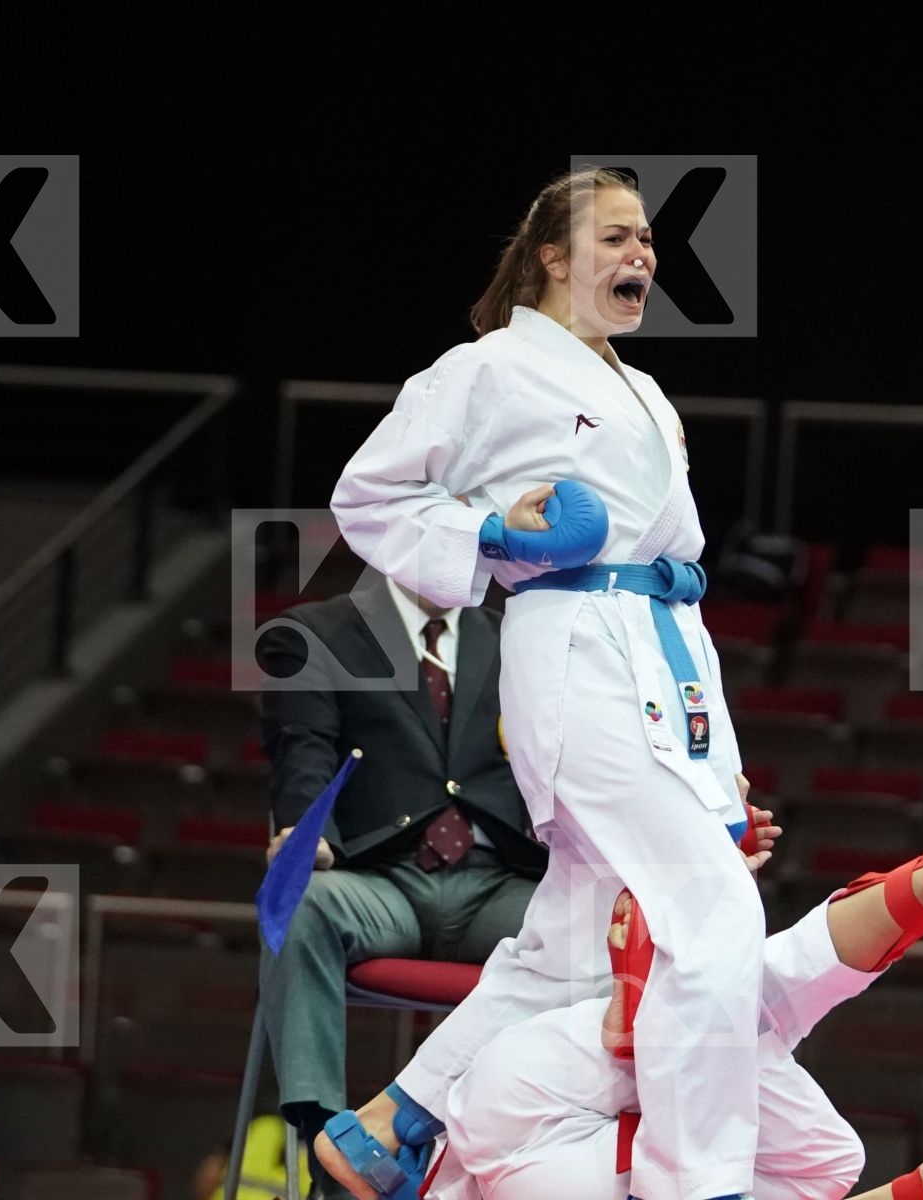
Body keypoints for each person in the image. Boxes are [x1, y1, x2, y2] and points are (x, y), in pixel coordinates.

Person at [320, 166, 768, 1200]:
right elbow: (367, 495)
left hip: (668, 645)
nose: (642, 256)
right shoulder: (490, 369)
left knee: (570, 942)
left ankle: (393, 1121)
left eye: (649, 240)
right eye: (615, 238)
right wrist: (483, 530)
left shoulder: (644, 393)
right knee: (709, 912)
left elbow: (673, 569)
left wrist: (717, 767)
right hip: (573, 646)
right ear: (554, 258)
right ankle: (702, 1182)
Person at [421, 820, 923, 1200]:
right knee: (822, 1153)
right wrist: (909, 1194)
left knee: (741, 1017)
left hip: (532, 1119)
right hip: (563, 1118)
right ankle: (664, 1018)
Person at [257, 574, 549, 1196]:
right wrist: (307, 836)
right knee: (304, 905)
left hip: (501, 883)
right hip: (377, 881)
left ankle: (524, 1163)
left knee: (593, 930)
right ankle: (329, 1150)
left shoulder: (523, 635)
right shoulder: (315, 632)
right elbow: (302, 752)